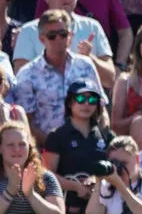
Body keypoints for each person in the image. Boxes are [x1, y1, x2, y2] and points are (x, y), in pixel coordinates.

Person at [9, 9, 101, 143]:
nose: (58, 39)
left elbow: (101, 108)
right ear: (42, 39)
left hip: (87, 146)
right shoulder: (28, 74)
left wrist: (99, 137)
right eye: (52, 35)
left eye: (63, 34)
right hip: (47, 152)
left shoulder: (85, 65)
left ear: (70, 36)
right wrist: (55, 146)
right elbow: (25, 122)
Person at [11, 0, 114, 87]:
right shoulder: (29, 30)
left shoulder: (92, 26)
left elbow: (110, 80)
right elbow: (21, 81)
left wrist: (90, 58)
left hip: (84, 101)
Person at [0, 120, 65, 214]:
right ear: (1, 148)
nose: (17, 149)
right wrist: (9, 192)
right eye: (10, 145)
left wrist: (30, 194)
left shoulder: (45, 178)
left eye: (22, 144)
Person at [40, 80, 110, 214]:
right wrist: (75, 186)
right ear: (69, 102)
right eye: (80, 98)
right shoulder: (57, 136)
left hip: (101, 208)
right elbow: (46, 175)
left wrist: (96, 179)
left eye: (92, 99)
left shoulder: (106, 135)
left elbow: (114, 169)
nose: (86, 104)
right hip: (67, 208)